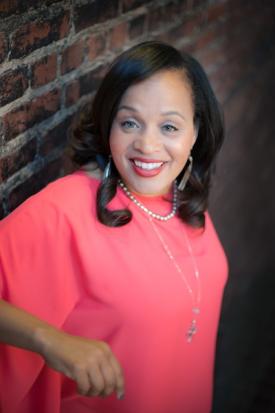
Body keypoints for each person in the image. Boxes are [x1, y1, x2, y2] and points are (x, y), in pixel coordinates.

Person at [0, 40, 228, 413]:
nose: (148, 145)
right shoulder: (67, 208)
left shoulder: (181, 195)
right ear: (110, 125)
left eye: (169, 126)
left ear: (195, 132)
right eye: (130, 123)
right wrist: (50, 340)